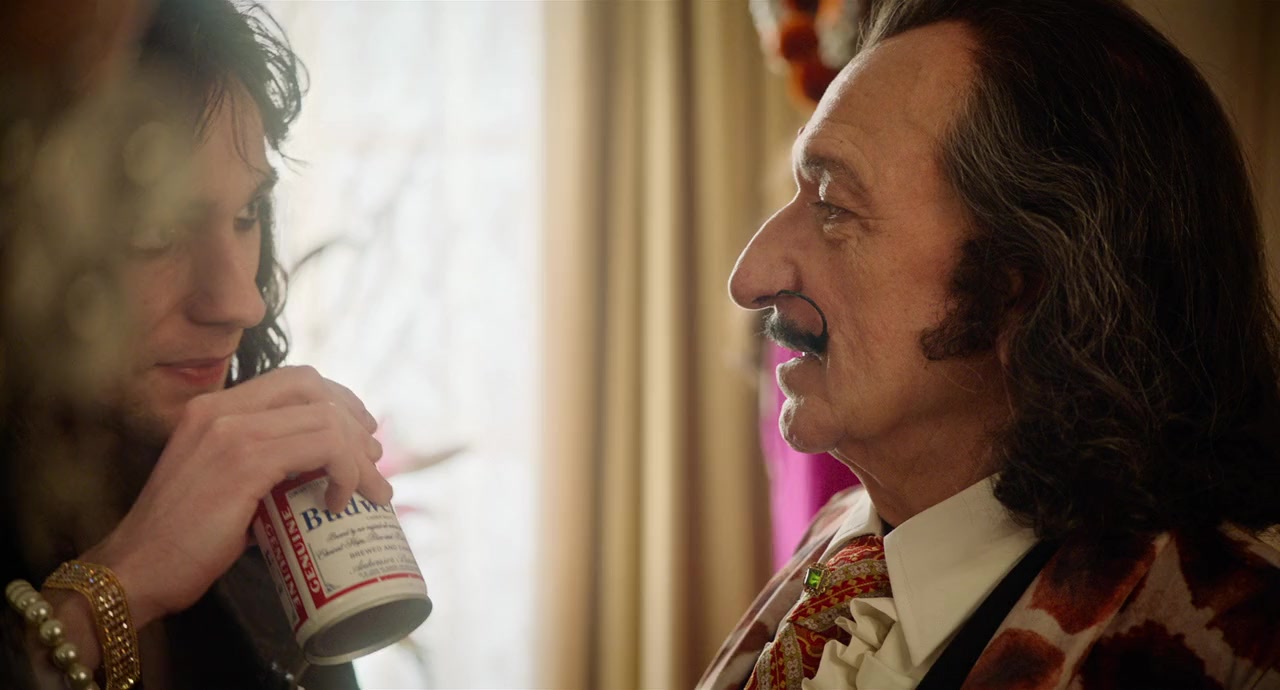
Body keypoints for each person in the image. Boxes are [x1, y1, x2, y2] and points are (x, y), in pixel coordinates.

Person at [699, 0, 1280, 688]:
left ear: (1023, 280)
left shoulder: (1234, 641)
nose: (749, 279)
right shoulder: (839, 548)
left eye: (833, 205)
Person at [0, 1, 388, 688]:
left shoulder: (249, 508)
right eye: (155, 229)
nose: (241, 302)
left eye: (247, 215)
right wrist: (114, 591)